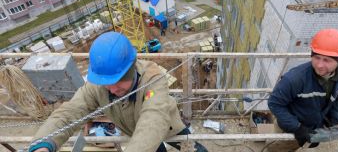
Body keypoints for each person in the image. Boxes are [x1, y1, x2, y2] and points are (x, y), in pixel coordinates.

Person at [29, 32, 207, 152]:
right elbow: (69, 113)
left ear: (131, 69)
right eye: (107, 84)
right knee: (153, 148)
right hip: (135, 133)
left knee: (192, 148)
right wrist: (43, 143)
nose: (112, 89)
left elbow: (154, 118)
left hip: (168, 127)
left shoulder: (152, 78)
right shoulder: (99, 84)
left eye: (118, 81)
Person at [268, 28, 338, 149]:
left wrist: (334, 120)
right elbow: (275, 104)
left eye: (327, 60)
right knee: (279, 149)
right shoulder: (295, 79)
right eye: (316, 57)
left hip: (315, 125)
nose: (320, 65)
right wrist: (297, 128)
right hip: (289, 128)